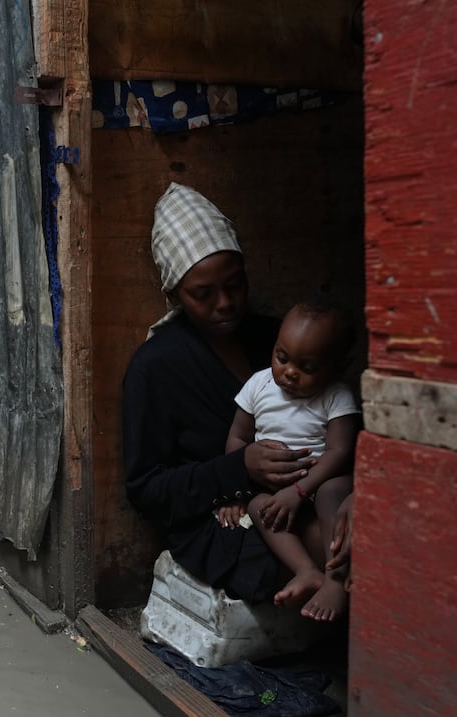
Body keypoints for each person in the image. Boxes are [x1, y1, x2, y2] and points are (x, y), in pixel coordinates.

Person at [123, 183, 316, 604]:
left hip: (307, 493)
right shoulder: (155, 367)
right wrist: (237, 470)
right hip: (217, 523)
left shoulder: (277, 341)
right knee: (303, 551)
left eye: (235, 284)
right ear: (174, 293)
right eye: (203, 294)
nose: (225, 303)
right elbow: (146, 490)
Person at [225, 299, 359, 621]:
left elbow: (339, 452)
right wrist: (236, 488)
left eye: (307, 367)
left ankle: (335, 579)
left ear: (337, 366)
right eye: (281, 357)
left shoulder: (336, 395)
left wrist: (300, 491)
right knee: (259, 506)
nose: (289, 372)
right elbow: (237, 439)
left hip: (319, 483)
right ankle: (306, 571)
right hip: (275, 488)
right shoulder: (259, 384)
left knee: (332, 493)